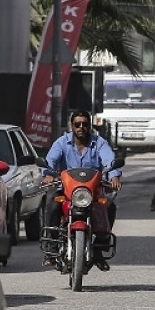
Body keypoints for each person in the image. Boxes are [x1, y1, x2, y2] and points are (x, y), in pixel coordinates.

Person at [41, 109, 122, 270]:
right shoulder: (62, 143)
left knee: (110, 207)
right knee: (51, 205)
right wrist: (48, 174)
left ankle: (99, 249)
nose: (81, 127)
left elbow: (109, 160)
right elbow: (51, 159)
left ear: (90, 126)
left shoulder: (99, 143)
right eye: (77, 124)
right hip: (66, 190)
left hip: (92, 192)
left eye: (85, 124)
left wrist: (114, 176)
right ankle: (50, 250)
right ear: (72, 126)